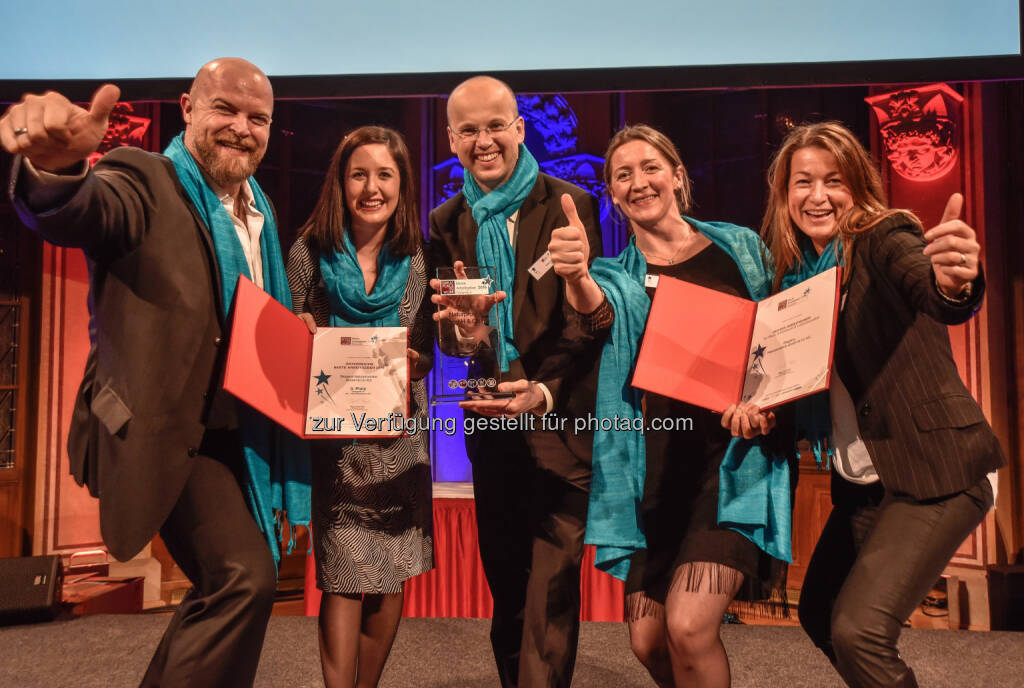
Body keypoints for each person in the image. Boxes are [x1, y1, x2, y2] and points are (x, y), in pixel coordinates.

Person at [1, 58, 309, 687]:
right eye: (225, 109)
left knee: (229, 587)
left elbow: (244, 317)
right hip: (165, 428)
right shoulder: (142, 177)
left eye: (259, 119)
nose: (242, 129)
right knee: (241, 578)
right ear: (188, 108)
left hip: (236, 435)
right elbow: (83, 208)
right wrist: (56, 169)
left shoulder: (262, 214)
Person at [760, 121, 1005, 688]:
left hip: (937, 468)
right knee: (820, 612)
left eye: (834, 181)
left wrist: (954, 281)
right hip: (864, 484)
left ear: (858, 186)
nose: (817, 196)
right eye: (803, 182)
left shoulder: (885, 235)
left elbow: (934, 290)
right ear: (784, 194)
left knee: (859, 631)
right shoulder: (795, 282)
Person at [548, 124, 791, 688]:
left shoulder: (742, 249)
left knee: (687, 627)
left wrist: (769, 403)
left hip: (731, 463)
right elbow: (596, 311)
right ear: (611, 194)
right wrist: (578, 277)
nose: (639, 181)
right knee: (647, 639)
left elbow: (779, 336)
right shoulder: (613, 274)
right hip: (651, 476)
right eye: (623, 174)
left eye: (651, 167)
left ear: (678, 176)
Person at [428, 75, 603, 688]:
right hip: (492, 430)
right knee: (506, 583)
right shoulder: (445, 221)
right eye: (469, 130)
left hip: (563, 425)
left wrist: (544, 391)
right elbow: (455, 334)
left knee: (550, 587)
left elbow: (591, 325)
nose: (484, 141)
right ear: (452, 139)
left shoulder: (569, 206)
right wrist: (467, 339)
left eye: (496, 126)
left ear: (519, 130)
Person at [286, 126, 433, 688]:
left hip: (399, 438)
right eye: (359, 174)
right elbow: (284, 328)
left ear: (402, 184)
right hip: (336, 441)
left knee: (391, 574)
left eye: (385, 175)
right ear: (340, 183)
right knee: (344, 575)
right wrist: (297, 331)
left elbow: (425, 352)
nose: (372, 187)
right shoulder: (309, 250)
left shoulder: (418, 256)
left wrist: (415, 360)